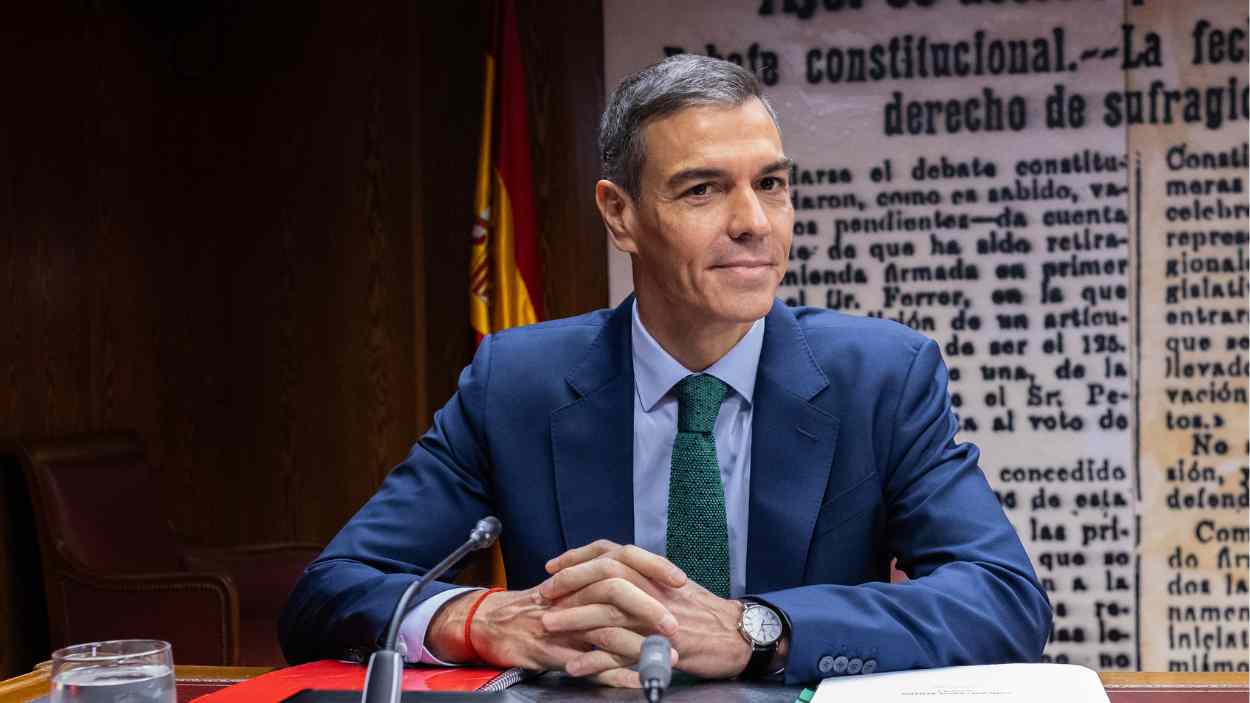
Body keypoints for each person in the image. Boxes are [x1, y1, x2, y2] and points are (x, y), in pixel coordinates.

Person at [279, 54, 1051, 687]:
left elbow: (1003, 598)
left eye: (771, 184)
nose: (753, 221)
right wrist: (479, 618)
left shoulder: (881, 375)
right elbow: (331, 589)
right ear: (620, 214)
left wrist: (758, 627)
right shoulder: (516, 382)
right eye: (704, 188)